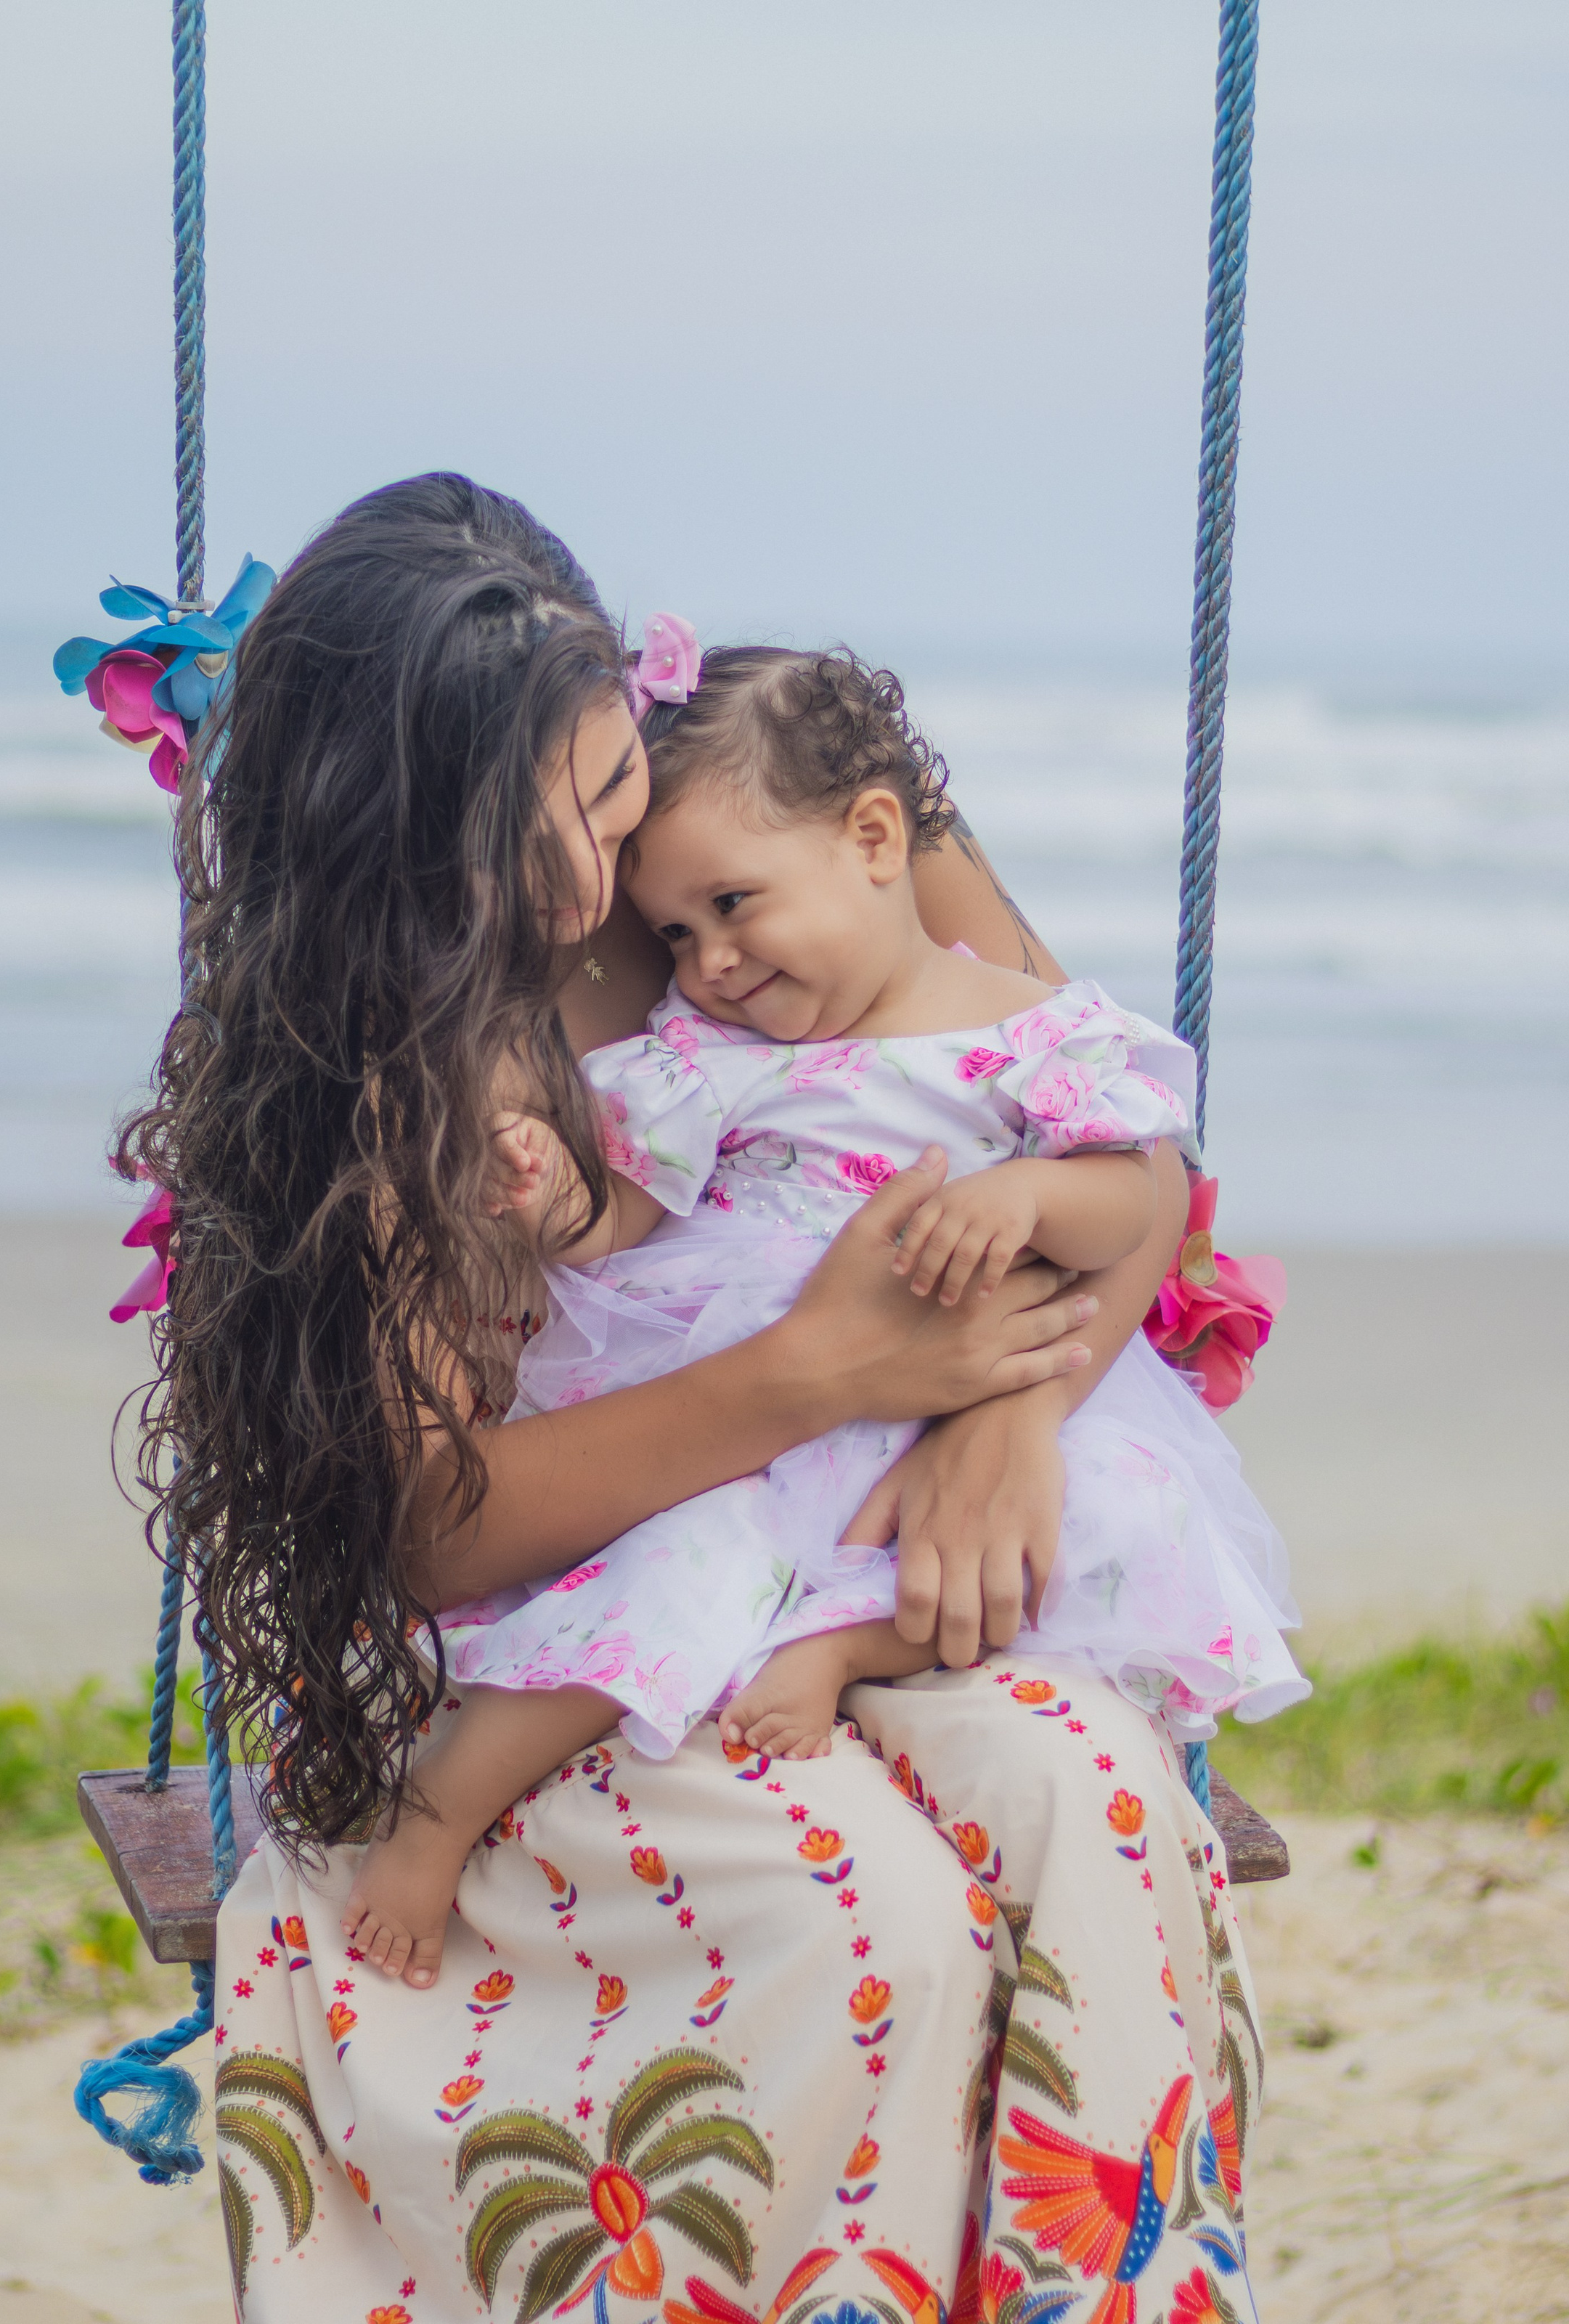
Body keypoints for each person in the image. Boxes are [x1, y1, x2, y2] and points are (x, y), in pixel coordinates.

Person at [134, 474, 1267, 2324]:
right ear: (404, 833)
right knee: (875, 1919)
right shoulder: (379, 1053)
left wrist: (1003, 1405)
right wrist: (815, 1371)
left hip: (847, 1525)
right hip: (550, 1623)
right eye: (543, 833)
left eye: (608, 792)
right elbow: (430, 1527)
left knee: (1107, 1800)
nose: (607, 880)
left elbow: (1118, 1160)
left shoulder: (760, 832)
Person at [341, 642, 1300, 1991]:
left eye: (733, 909)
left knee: (1093, 1538)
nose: (711, 960)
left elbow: (1130, 1200)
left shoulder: (1036, 1034)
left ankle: (843, 1641)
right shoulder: (714, 1057)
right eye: (677, 932)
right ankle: (444, 1800)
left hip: (954, 1398)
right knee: (670, 1572)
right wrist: (551, 1195)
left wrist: (1027, 1199)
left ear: (874, 838)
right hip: (758, 1395)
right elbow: (632, 1214)